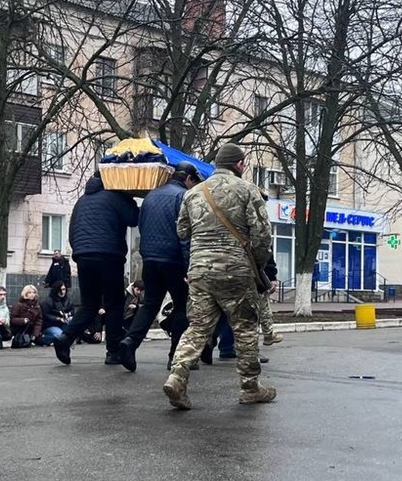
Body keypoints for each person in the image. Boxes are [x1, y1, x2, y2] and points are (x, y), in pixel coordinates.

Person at [163, 143, 275, 409]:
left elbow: (182, 231)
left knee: (198, 327)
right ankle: (250, 387)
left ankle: (177, 377)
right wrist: (256, 266)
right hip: (236, 269)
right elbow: (262, 235)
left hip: (200, 270)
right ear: (239, 165)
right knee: (245, 328)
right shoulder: (248, 190)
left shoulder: (193, 193)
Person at [117, 162, 202, 371]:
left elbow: (142, 227)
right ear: (188, 179)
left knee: (150, 304)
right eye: (194, 182)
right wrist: (189, 266)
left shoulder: (151, 196)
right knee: (183, 305)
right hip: (173, 259)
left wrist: (147, 253)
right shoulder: (183, 197)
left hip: (151, 259)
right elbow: (184, 235)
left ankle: (130, 342)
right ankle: (176, 356)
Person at [50, 171, 140, 366]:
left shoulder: (81, 201)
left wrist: (81, 252)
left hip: (83, 256)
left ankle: (65, 338)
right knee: (114, 304)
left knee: (89, 305)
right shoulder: (115, 197)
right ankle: (113, 352)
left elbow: (72, 232)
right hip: (109, 256)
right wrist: (128, 196)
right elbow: (134, 218)